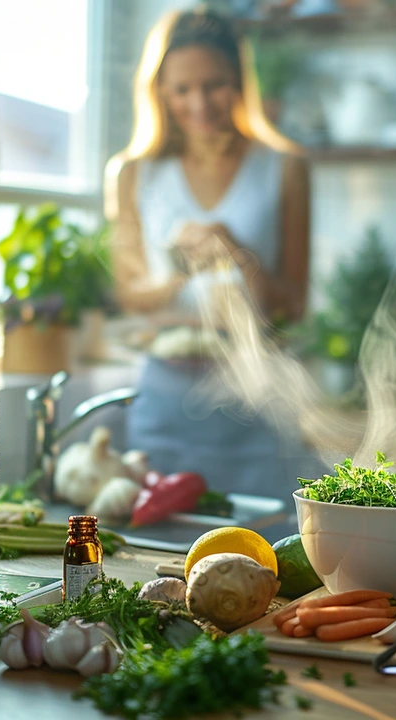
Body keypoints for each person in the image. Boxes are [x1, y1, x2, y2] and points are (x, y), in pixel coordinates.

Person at [104, 6, 313, 500]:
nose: (199, 102)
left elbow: (293, 304)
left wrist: (240, 255)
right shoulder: (133, 172)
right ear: (159, 91)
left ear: (240, 82)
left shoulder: (284, 167)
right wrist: (181, 269)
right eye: (181, 89)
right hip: (165, 404)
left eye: (214, 84)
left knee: (262, 558)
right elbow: (131, 296)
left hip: (255, 401)